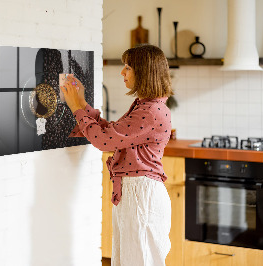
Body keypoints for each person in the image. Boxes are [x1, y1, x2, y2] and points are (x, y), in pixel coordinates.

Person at [61, 44, 173, 266]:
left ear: (144, 71)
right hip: (136, 193)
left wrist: (76, 108)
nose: (122, 72)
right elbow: (112, 133)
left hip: (141, 195)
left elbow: (104, 141)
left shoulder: (150, 111)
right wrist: (82, 103)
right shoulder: (146, 106)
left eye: (128, 67)